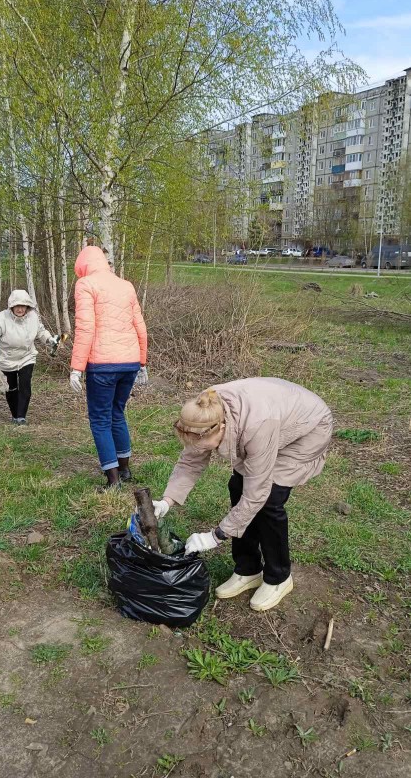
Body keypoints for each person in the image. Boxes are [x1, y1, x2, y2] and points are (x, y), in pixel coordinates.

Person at [152, 378, 333, 612]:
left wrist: (216, 536)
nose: (203, 450)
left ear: (222, 429)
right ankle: (248, 569)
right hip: (271, 418)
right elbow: (191, 460)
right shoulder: (202, 412)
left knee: (269, 500)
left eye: (207, 445)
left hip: (307, 428)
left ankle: (278, 577)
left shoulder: (257, 426)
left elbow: (256, 494)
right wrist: (167, 501)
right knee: (238, 486)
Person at [69, 246, 148, 490]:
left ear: (83, 266)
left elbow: (85, 329)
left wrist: (76, 368)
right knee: (117, 413)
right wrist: (142, 362)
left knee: (100, 419)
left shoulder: (85, 285)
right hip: (129, 362)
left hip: (103, 364)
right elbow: (140, 326)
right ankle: (124, 470)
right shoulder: (126, 285)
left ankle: (112, 480)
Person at [0, 289, 58, 425]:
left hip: (27, 357)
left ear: (27, 306)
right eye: (17, 306)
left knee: (25, 385)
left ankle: (21, 417)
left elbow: (41, 331)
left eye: (23, 305)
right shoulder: (1, 319)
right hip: (6, 359)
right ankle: (14, 415)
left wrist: (49, 340)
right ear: (11, 306)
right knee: (11, 388)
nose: (20, 309)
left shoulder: (33, 317)